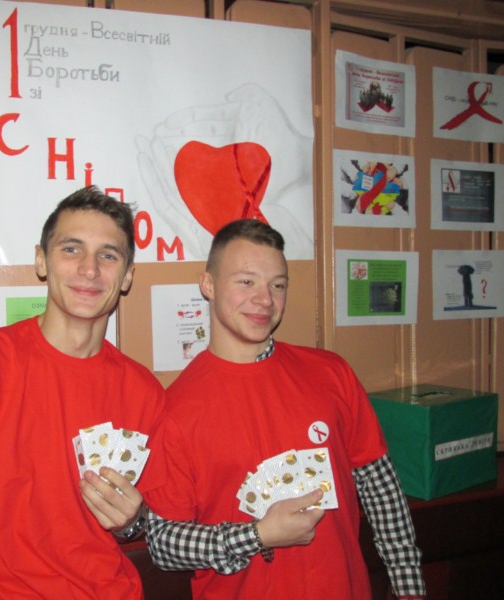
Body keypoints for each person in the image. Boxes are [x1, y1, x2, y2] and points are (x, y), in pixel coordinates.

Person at [143, 219, 426, 599]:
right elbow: (163, 542)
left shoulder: (331, 372)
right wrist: (258, 535)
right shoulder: (176, 408)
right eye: (247, 281)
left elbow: (380, 486)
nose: (265, 299)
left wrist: (408, 585)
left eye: (278, 285)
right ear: (208, 285)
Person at [0, 186, 164, 599]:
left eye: (108, 255)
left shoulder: (144, 391)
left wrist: (133, 521)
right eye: (72, 249)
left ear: (128, 275)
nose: (89, 270)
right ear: (41, 260)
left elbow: (159, 523)